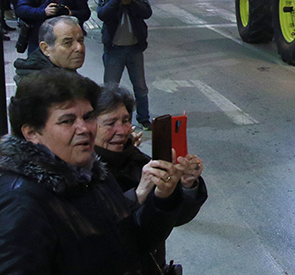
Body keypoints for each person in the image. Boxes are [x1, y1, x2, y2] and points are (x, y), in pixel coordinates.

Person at [0, 69, 184, 275]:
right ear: (32, 133)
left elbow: (129, 245)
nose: (85, 128)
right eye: (67, 121)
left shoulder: (94, 174)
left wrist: (162, 199)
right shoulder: (20, 203)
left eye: (88, 117)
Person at [94, 85, 207, 271]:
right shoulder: (79, 172)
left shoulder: (137, 160)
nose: (122, 130)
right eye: (110, 123)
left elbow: (174, 219)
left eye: (126, 120)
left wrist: (186, 186)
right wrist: (138, 193)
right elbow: (96, 233)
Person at [98, 0, 154, 130]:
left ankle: (143, 118)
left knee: (141, 87)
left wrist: (132, 2)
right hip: (114, 49)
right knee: (110, 87)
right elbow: (102, 14)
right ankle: (109, 118)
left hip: (134, 48)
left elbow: (147, 12)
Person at [13, 15, 86, 82]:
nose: (79, 48)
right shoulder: (42, 88)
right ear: (45, 48)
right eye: (67, 43)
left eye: (80, 41)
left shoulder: (64, 75)